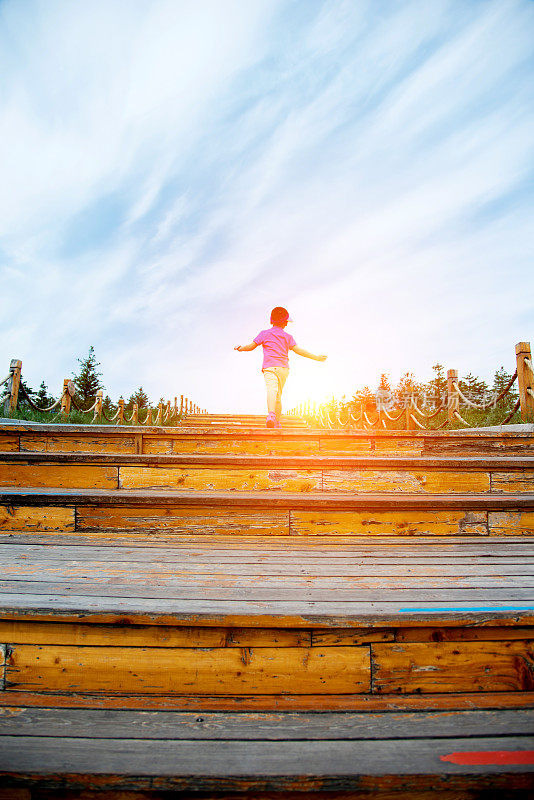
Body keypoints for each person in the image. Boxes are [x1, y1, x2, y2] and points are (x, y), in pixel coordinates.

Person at [234, 306, 327, 427]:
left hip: (270, 368)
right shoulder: (288, 337)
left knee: (271, 390)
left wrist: (240, 348)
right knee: (278, 395)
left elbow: (250, 347)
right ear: (285, 322)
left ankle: (271, 415)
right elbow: (299, 351)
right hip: (283, 369)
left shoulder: (264, 334)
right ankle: (276, 422)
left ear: (272, 320)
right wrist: (316, 357)